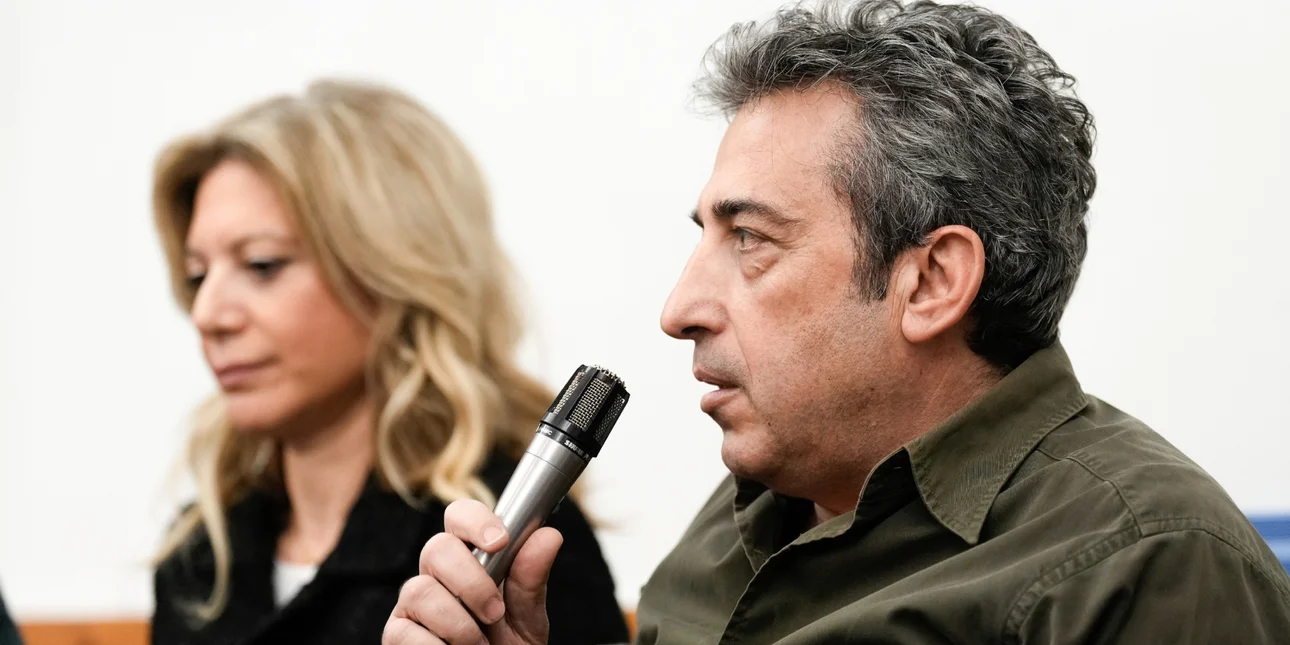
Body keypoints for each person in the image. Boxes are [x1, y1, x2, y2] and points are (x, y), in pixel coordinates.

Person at [382, 1, 1290, 644]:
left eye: (751, 240)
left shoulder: (1145, 562)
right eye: (705, 237)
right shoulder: (738, 522)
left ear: (931, 281)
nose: (677, 311)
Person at [148, 79, 629, 645]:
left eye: (261, 264)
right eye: (197, 275)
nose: (206, 314)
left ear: (390, 275)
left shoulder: (505, 545)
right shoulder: (199, 559)